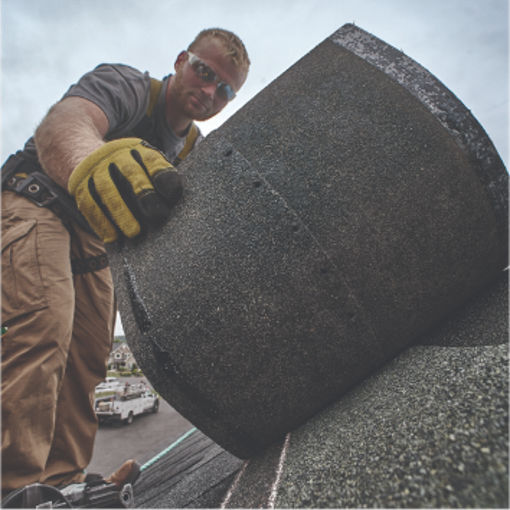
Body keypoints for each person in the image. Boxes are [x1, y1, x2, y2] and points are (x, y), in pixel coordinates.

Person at [0, 28, 250, 501]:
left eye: (226, 89)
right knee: (44, 328)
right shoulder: (130, 87)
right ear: (181, 60)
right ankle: (10, 489)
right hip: (37, 203)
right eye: (204, 72)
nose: (210, 91)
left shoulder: (195, 148)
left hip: (96, 244)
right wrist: (90, 160)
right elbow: (63, 125)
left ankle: (60, 483)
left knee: (89, 359)